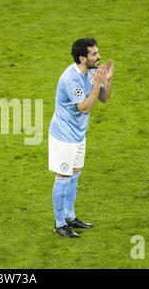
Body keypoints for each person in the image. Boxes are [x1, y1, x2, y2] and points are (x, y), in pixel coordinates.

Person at [48, 37, 114, 238]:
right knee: (63, 177)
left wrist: (107, 80)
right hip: (64, 136)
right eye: (94, 54)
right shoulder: (71, 79)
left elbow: (104, 98)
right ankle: (60, 225)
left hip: (78, 135)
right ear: (82, 58)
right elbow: (84, 108)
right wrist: (96, 85)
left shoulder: (93, 71)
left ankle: (70, 216)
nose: (98, 56)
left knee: (74, 176)